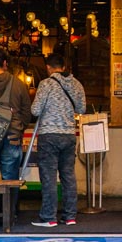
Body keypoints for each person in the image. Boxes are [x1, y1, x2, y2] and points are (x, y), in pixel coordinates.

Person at [30, 53, 86, 227]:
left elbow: (35, 110)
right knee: (68, 176)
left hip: (49, 135)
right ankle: (70, 216)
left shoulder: (45, 84)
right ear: (63, 66)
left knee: (49, 177)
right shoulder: (76, 84)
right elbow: (82, 109)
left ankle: (49, 217)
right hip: (69, 135)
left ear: (48, 67)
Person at [0, 48, 31, 219]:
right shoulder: (18, 84)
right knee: (10, 175)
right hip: (12, 136)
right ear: (5, 63)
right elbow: (27, 112)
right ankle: (10, 213)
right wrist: (19, 128)